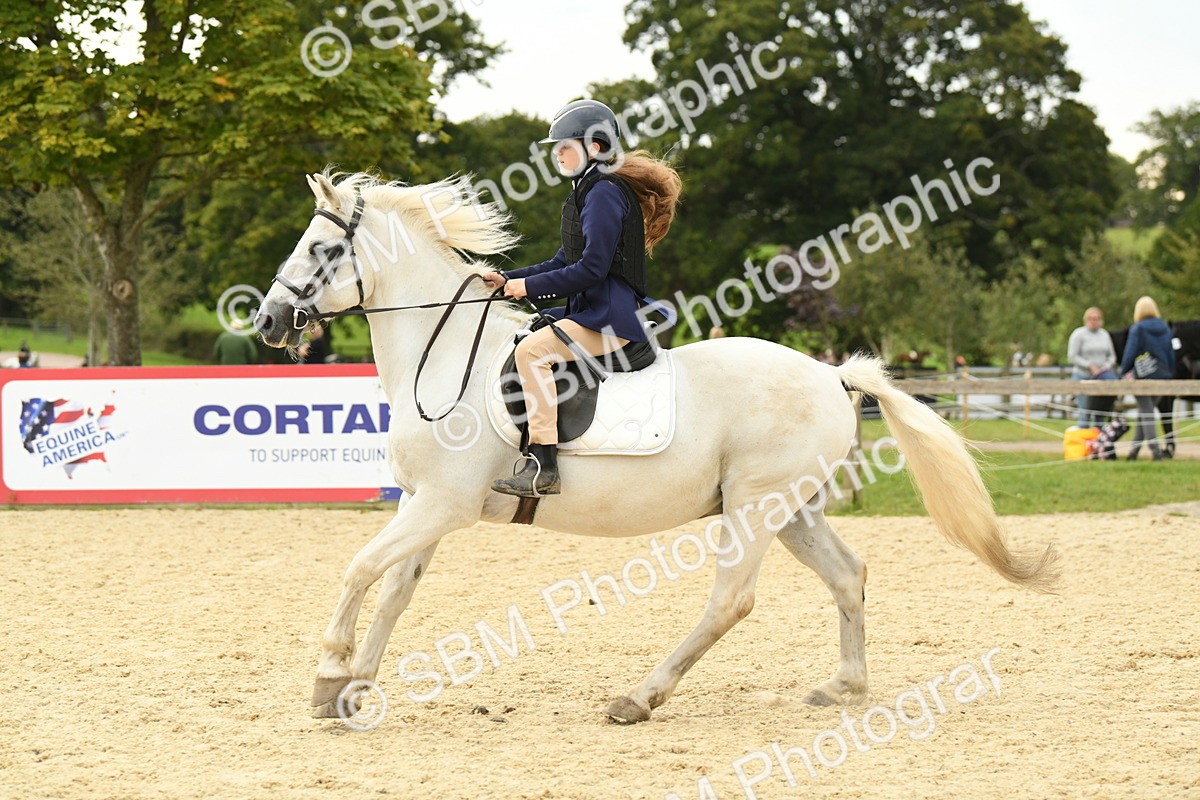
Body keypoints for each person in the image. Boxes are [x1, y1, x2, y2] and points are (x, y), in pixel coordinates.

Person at [481, 99, 682, 497]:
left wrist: (529, 289)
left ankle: (544, 465)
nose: (556, 153)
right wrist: (509, 278)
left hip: (609, 319)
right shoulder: (586, 190)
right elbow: (563, 260)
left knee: (532, 353)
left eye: (564, 145)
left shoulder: (604, 192)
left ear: (594, 146)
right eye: (555, 147)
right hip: (591, 312)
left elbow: (592, 268)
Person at [1118, 296, 1175, 460]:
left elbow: (1130, 352)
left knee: (1146, 412)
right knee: (1146, 413)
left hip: (1143, 376)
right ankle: (1133, 453)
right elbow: (1170, 353)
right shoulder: (1164, 327)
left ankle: (1155, 451)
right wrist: (1169, 374)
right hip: (1162, 376)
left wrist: (1123, 371)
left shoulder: (1138, 329)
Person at [1067, 307, 1117, 427]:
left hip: (1101, 378)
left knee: (1100, 414)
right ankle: (1084, 444)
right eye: (1091, 319)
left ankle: (1099, 443)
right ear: (1085, 320)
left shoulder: (1104, 335)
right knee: (1085, 413)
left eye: (1096, 319)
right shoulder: (1078, 334)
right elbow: (1072, 356)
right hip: (1083, 377)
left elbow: (1112, 356)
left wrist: (1105, 367)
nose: (1094, 321)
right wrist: (1089, 365)